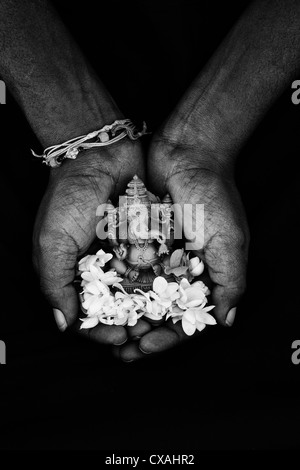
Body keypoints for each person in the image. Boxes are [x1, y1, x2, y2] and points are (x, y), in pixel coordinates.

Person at [0, 0, 300, 363]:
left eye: (145, 231)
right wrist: (121, 269)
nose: (140, 236)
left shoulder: (157, 243)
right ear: (121, 235)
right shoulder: (124, 245)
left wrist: (202, 148)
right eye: (132, 232)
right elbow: (123, 260)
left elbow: (161, 256)